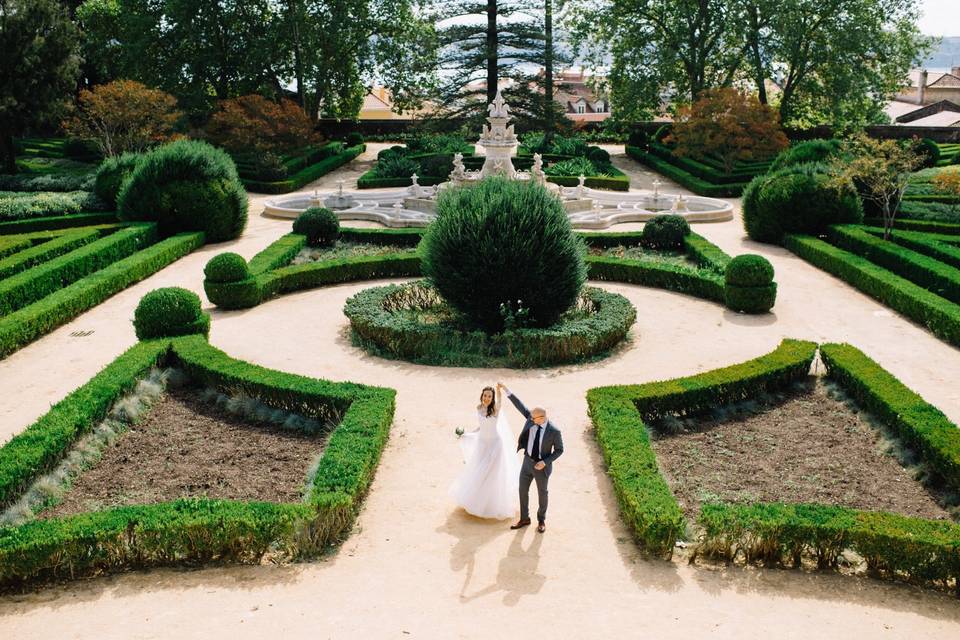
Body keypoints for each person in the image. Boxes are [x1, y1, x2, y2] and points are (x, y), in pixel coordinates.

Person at [498, 383, 564, 533]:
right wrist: (506, 390)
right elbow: (519, 405)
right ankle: (524, 518)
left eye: (534, 419)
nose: (531, 420)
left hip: (542, 467)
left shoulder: (554, 431)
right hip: (527, 462)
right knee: (522, 490)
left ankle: (541, 520)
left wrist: (545, 462)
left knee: (542, 493)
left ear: (542, 418)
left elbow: (560, 450)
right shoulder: (531, 418)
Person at [448, 385, 520, 519]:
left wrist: (499, 390)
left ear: (492, 398)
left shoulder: (495, 409)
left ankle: (491, 506)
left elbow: (500, 401)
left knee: (491, 474)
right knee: (479, 473)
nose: (487, 398)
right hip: (482, 445)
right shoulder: (478, 408)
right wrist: (468, 434)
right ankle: (477, 502)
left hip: (495, 445)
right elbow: (481, 427)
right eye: (485, 395)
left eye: (489, 396)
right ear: (482, 396)